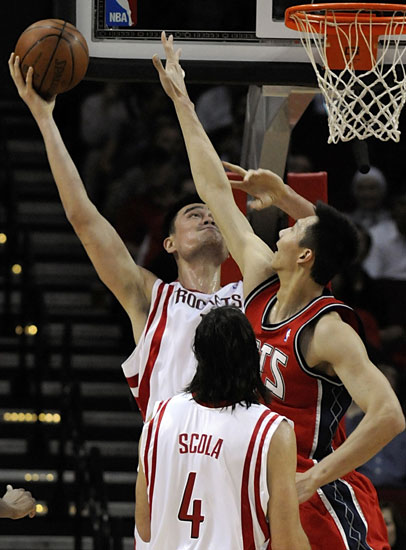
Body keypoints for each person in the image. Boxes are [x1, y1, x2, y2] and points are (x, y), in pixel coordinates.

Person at [153, 32, 405, 550]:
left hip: (319, 494)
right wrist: (182, 100)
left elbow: (389, 415)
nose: (283, 230)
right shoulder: (260, 280)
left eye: (293, 229)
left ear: (305, 256)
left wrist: (313, 479)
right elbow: (215, 190)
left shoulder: (327, 330)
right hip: (259, 484)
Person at [8, 53, 313, 424]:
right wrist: (45, 119)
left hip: (238, 450)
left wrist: (285, 196)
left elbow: (323, 241)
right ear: (169, 243)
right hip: (169, 452)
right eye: (193, 214)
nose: (207, 217)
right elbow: (83, 218)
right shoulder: (150, 297)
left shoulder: (253, 292)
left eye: (212, 215)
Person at [135, 306, 310, 550]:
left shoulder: (158, 418)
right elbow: (287, 543)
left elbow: (144, 527)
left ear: (198, 356)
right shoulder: (271, 432)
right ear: (253, 357)